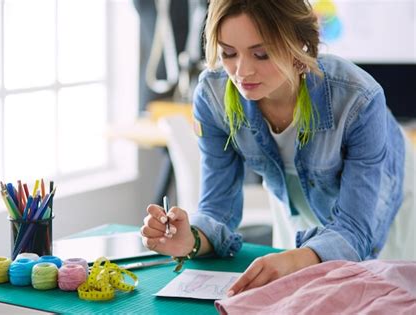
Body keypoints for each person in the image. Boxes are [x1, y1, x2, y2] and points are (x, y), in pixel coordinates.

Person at [140, 0, 415, 297]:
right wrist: (190, 239)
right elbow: (216, 209)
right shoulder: (213, 95)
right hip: (295, 201)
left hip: (386, 199)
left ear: (299, 47)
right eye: (228, 53)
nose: (242, 72)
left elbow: (356, 230)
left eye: (261, 54)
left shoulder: (358, 98)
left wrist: (297, 260)